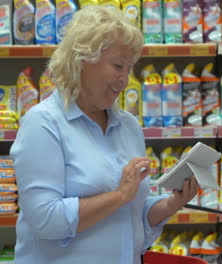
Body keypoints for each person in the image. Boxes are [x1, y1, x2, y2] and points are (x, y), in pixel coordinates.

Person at [10, 6, 199, 264]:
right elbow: (46, 220)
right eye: (118, 66)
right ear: (82, 60)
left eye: (130, 68)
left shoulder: (129, 126)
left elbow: (129, 218)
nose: (125, 80)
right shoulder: (43, 123)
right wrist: (120, 194)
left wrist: (171, 204)